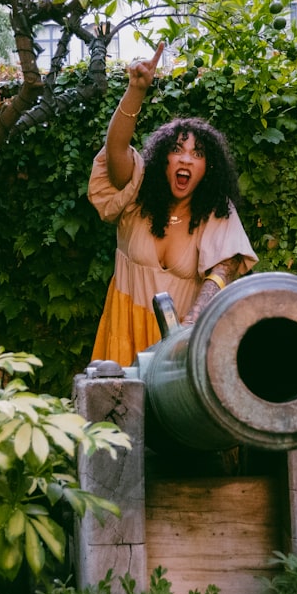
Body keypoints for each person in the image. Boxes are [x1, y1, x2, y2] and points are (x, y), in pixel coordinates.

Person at [88, 42, 258, 366]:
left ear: (208, 170)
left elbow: (225, 267)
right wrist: (136, 89)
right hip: (122, 332)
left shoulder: (214, 212)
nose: (186, 159)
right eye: (178, 150)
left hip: (178, 345)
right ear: (163, 158)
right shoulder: (136, 194)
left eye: (197, 154)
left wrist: (191, 326)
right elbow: (116, 150)